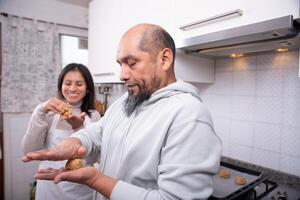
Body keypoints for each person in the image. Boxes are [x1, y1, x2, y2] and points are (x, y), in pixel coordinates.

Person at [22, 24, 222, 200]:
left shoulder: (188, 114)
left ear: (165, 59)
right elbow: (99, 131)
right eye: (120, 64)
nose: (122, 75)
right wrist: (75, 142)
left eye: (132, 63)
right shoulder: (125, 102)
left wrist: (96, 180)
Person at [21, 63, 101, 200]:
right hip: (50, 186)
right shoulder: (49, 114)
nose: (72, 88)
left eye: (79, 84)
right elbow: (29, 149)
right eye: (68, 83)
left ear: (87, 88)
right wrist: (40, 110)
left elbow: (94, 157)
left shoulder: (93, 116)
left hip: (80, 187)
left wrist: (79, 128)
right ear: (61, 86)